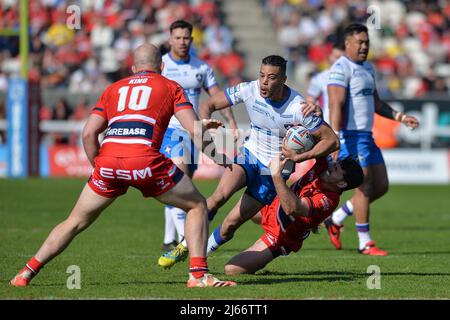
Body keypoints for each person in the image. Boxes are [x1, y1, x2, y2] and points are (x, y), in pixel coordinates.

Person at [10, 44, 236, 288]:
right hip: (145, 161)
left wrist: (98, 168)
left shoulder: (113, 89)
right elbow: (193, 130)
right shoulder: (170, 86)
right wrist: (218, 156)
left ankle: (25, 273)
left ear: (132, 68)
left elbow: (88, 134)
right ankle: (198, 276)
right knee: (197, 205)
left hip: (108, 162)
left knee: (74, 221)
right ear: (162, 67)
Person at [158, 54, 340, 268]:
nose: (264, 82)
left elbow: (332, 141)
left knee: (230, 225)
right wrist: (208, 131)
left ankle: (201, 255)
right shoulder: (249, 89)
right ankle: (185, 247)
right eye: (262, 75)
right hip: (248, 154)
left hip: (273, 171)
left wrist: (300, 157)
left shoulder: (299, 108)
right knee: (218, 197)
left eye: (272, 77)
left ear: (283, 80)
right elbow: (209, 104)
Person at [324, 24, 419, 256]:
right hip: (349, 136)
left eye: (367, 42)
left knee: (382, 186)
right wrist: (335, 138)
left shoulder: (367, 68)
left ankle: (336, 218)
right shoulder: (340, 69)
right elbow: (336, 103)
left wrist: (400, 117)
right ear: (347, 44)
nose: (365, 46)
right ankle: (364, 242)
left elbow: (375, 103)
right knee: (365, 187)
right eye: (360, 42)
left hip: (367, 136)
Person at [159, 20, 238, 252]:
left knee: (183, 185)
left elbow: (217, 97)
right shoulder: (161, 65)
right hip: (170, 130)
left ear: (192, 40)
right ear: (170, 39)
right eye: (178, 37)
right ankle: (189, 242)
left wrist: (231, 122)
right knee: (179, 184)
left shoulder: (201, 68)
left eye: (186, 38)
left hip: (194, 132)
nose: (182, 42)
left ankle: (168, 238)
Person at [224, 155, 364, 274]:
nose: (332, 166)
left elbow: (292, 208)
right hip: (271, 206)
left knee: (231, 269)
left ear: (342, 184)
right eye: (336, 163)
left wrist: (277, 175)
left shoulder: (328, 200)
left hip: (280, 236)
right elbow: (321, 135)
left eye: (336, 169)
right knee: (229, 223)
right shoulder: (325, 165)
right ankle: (204, 254)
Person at [306, 42, 345, 123]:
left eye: (343, 58)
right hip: (329, 124)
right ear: (330, 57)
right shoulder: (320, 78)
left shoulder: (353, 77)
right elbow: (310, 100)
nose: (339, 61)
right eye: (336, 57)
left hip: (350, 127)